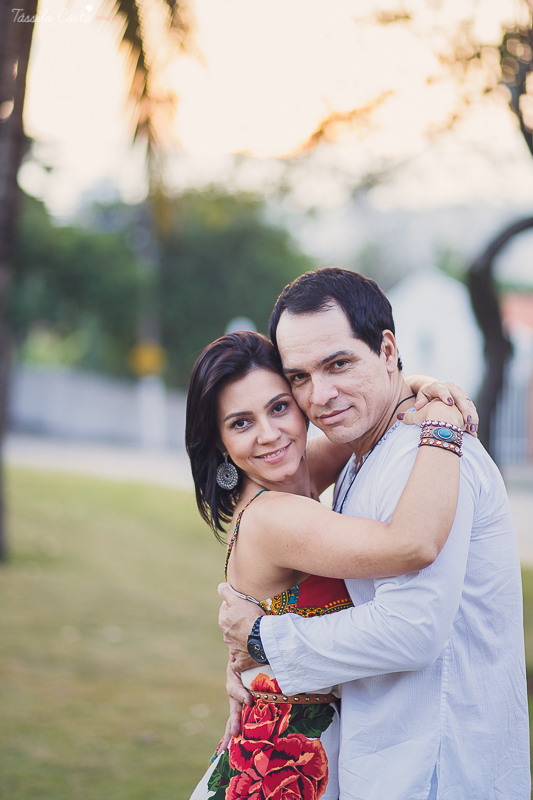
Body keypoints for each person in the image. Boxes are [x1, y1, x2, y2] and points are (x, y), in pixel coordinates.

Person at [218, 267, 530, 800]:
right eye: (299, 377)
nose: (321, 395)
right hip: (384, 757)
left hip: (440, 762)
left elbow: (413, 629)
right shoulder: (364, 448)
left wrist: (261, 640)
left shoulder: (427, 458)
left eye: (340, 364)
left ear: (387, 351)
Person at [186, 327, 471, 800]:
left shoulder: (298, 471)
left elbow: (376, 408)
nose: (269, 434)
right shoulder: (274, 517)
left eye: (279, 407)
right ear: (218, 443)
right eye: (241, 423)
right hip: (282, 766)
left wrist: (420, 384)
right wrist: (442, 420)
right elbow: (412, 544)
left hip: (305, 744)